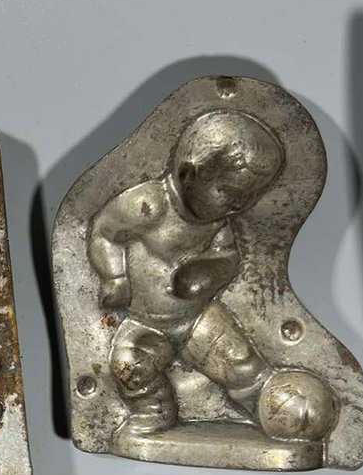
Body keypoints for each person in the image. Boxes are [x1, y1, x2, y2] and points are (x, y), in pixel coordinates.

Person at [87, 108, 334, 446]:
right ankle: (152, 413)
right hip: (147, 324)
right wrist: (115, 278)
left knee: (238, 360)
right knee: (128, 364)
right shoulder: (147, 206)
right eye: (229, 192)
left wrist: (208, 272)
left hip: (197, 318)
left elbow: (228, 259)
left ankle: (272, 405)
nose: (238, 206)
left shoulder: (217, 223)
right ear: (189, 174)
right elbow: (104, 234)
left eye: (249, 197)